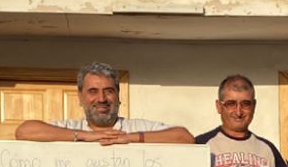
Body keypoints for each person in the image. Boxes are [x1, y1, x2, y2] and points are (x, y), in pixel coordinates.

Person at [14, 62, 194, 144]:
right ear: (80, 97)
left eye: (108, 91)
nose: (101, 99)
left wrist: (130, 138)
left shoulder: (137, 127)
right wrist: (85, 136)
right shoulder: (69, 127)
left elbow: (185, 138)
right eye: (93, 91)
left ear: (118, 95)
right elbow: (24, 131)